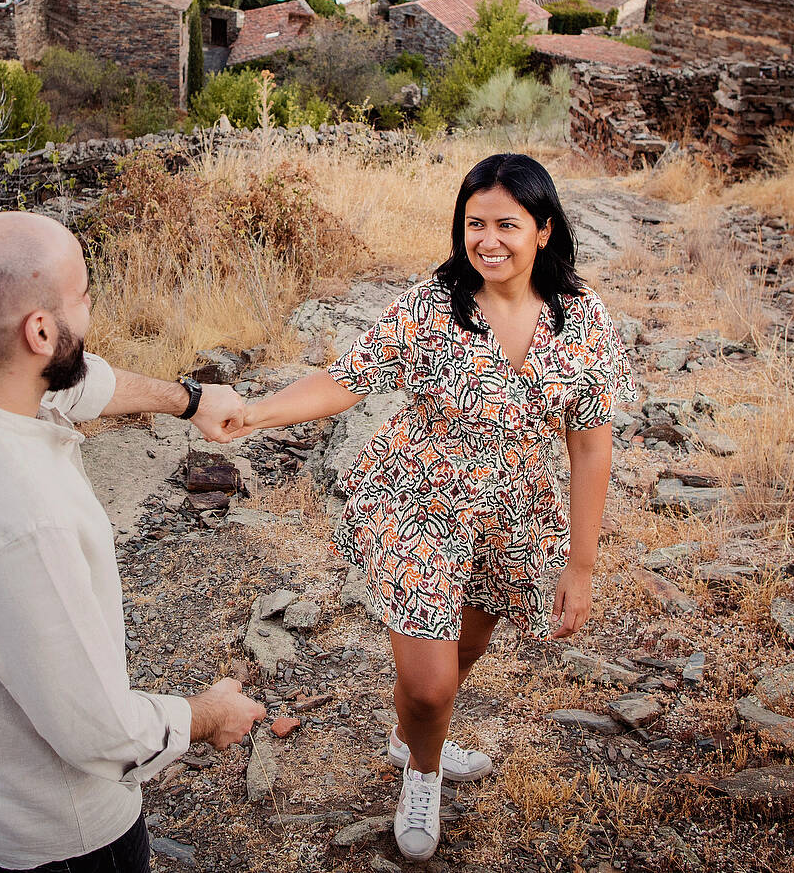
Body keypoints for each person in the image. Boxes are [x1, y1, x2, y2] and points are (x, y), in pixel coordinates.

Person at [234, 153, 635, 862]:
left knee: (466, 649)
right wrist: (257, 412)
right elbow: (345, 378)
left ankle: (416, 734)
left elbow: (591, 447)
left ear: (543, 229)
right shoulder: (432, 305)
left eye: (507, 224)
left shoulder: (584, 321)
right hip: (415, 501)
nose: (488, 239)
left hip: (508, 513)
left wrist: (582, 562)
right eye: (474, 222)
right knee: (429, 683)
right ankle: (422, 766)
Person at [0, 211, 266, 873]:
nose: (92, 304)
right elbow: (100, 731)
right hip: (66, 835)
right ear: (38, 329)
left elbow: (74, 379)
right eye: (83, 293)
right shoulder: (21, 523)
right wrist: (208, 713)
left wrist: (187, 398)